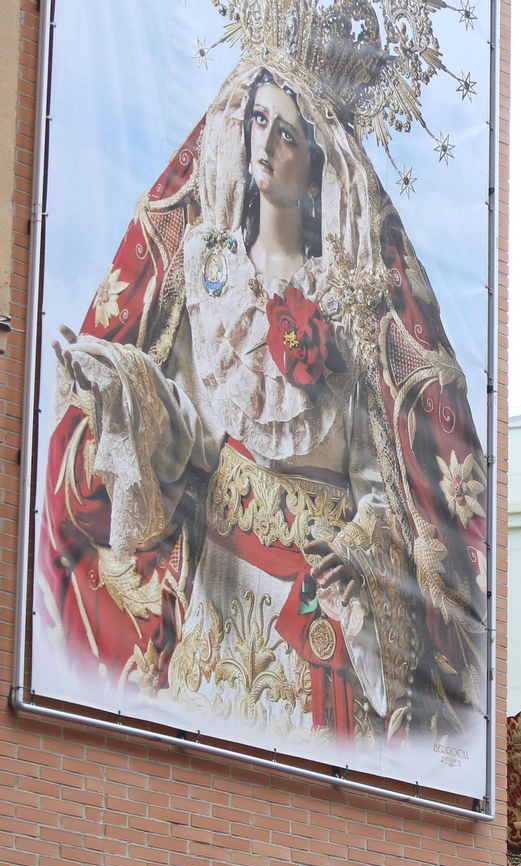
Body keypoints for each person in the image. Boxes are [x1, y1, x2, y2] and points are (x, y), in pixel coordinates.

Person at [37, 17, 486, 770]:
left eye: (288, 133)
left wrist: (356, 551)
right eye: (259, 120)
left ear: (319, 159)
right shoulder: (205, 272)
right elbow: (188, 429)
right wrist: (125, 392)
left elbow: (382, 482)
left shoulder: (349, 301)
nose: (266, 143)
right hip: (220, 598)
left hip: (316, 612)